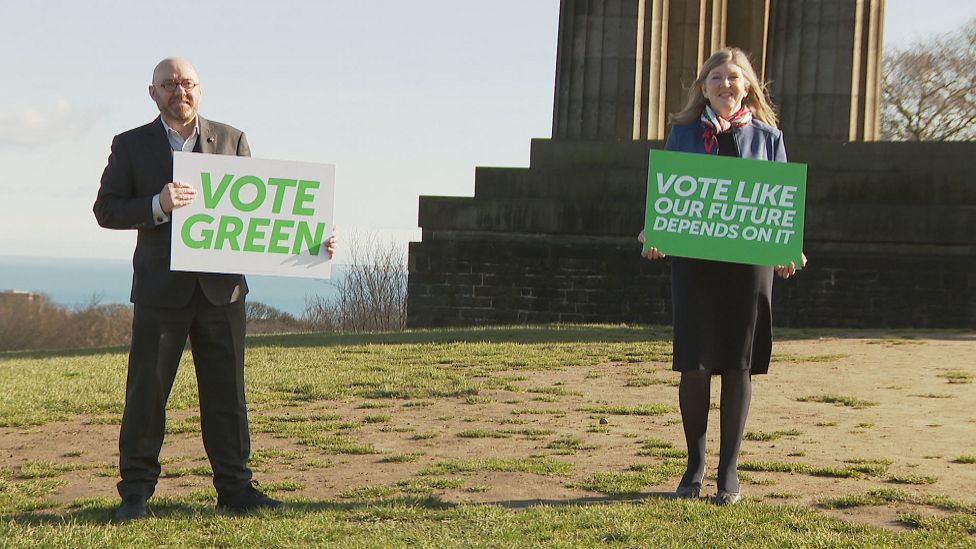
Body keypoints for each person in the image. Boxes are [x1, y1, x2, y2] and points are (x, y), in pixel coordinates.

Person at [93, 57, 336, 521]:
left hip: (222, 293)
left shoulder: (232, 139)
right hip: (160, 292)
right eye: (168, 84)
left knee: (227, 394)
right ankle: (135, 494)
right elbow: (106, 209)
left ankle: (236, 489)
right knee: (147, 394)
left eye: (186, 83)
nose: (177, 91)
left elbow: (261, 216)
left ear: (200, 90)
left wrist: (311, 240)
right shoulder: (129, 146)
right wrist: (156, 205)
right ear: (152, 93)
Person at [638, 47, 807, 506]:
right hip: (696, 264)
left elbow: (780, 204)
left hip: (747, 268)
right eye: (716, 77)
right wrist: (655, 231)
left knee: (738, 364)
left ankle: (728, 472)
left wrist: (788, 245)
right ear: (704, 87)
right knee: (695, 365)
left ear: (748, 86)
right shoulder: (683, 133)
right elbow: (667, 198)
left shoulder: (770, 139)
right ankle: (694, 466)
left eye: (734, 77)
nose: (725, 84)